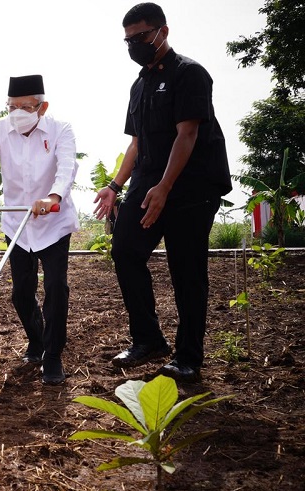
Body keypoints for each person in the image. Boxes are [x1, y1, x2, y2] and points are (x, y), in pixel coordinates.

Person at [93, 2, 231, 383]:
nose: (134, 44)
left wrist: (165, 187)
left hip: (192, 186)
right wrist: (114, 186)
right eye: (128, 40)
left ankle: (188, 356)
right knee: (125, 249)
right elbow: (136, 143)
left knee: (186, 269)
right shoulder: (139, 84)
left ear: (162, 32)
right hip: (148, 182)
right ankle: (148, 339)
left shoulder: (190, 74)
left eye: (140, 36)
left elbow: (187, 134)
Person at [0, 75, 80, 385]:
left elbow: (67, 167)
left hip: (53, 221)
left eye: (26, 106)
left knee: (56, 288)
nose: (18, 112)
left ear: (43, 106)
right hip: (17, 222)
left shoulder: (60, 130)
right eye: (12, 106)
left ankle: (52, 356)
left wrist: (53, 197)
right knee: (21, 293)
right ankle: (37, 340)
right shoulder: (0, 130)